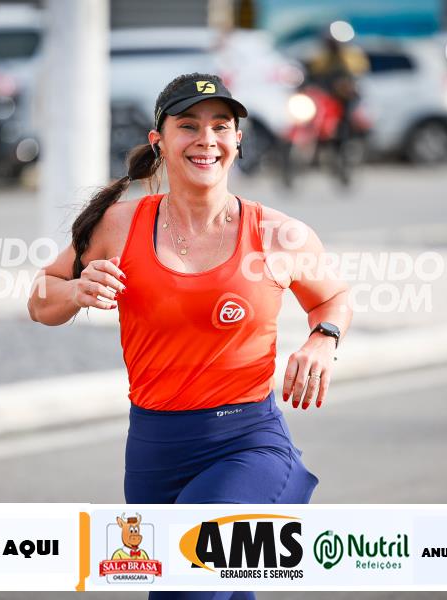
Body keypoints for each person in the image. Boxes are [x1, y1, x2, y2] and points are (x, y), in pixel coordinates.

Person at [28, 73, 352, 599]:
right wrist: (76, 291)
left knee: (187, 587)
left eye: (220, 126)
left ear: (237, 140)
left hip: (248, 445)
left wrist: (323, 339)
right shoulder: (117, 225)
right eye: (188, 126)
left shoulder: (277, 233)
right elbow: (41, 301)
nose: (207, 139)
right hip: (153, 450)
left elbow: (333, 297)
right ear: (158, 140)